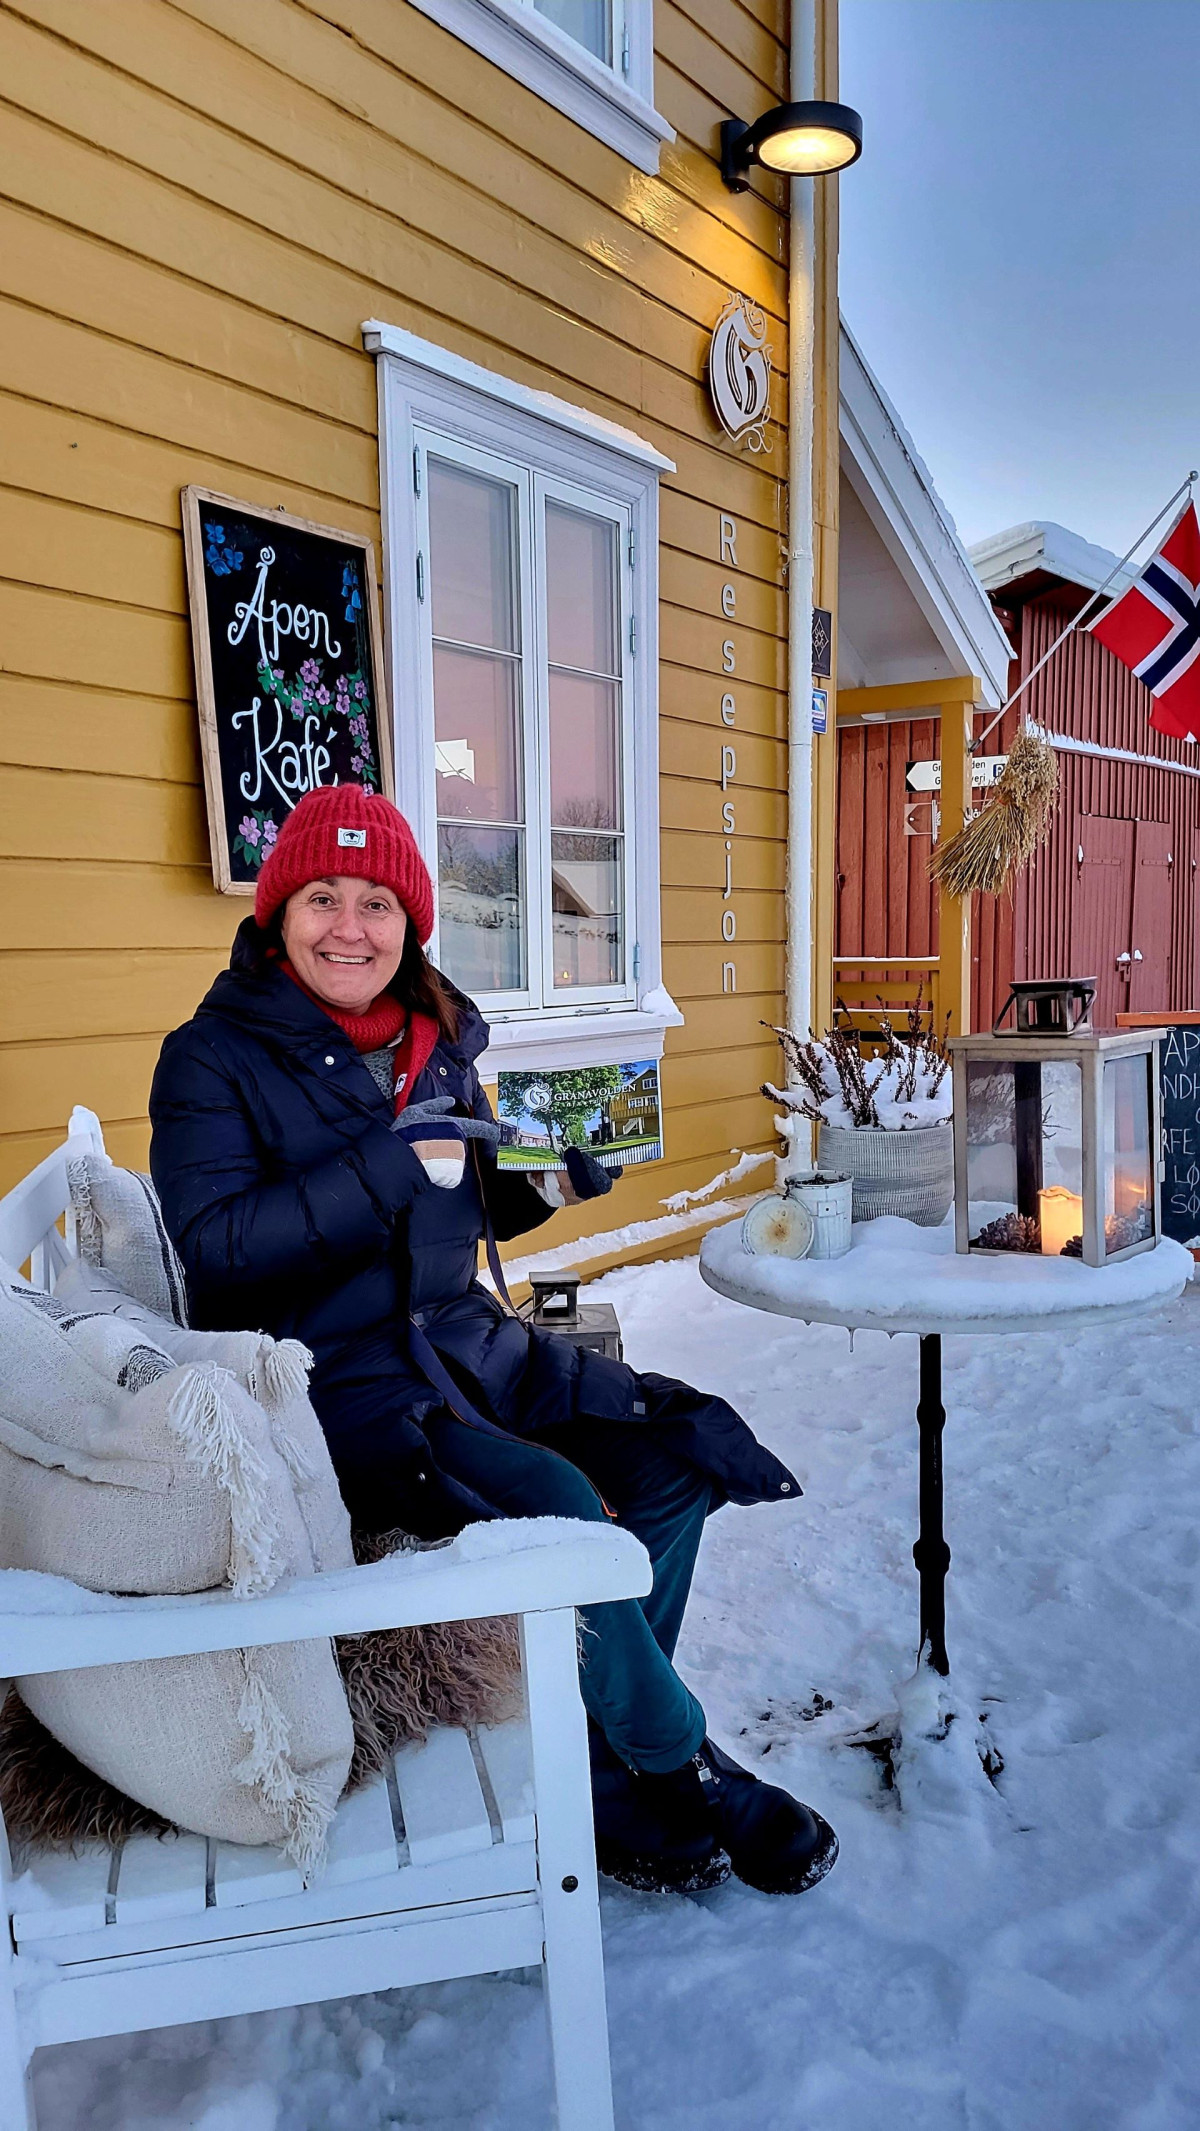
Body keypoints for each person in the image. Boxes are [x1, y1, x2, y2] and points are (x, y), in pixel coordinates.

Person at [150, 785, 837, 1898]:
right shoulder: (210, 1059)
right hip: (333, 1390)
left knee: (671, 1461)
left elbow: (454, 1200)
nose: (349, 928)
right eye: (322, 897)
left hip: (467, 1347)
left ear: (410, 921)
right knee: (563, 1507)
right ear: (278, 913)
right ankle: (685, 1768)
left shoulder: (434, 1039)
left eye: (376, 902)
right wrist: (385, 1163)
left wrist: (539, 1187)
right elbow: (217, 1246)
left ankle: (606, 1773)